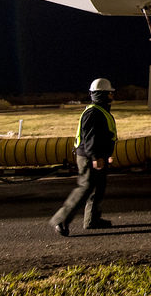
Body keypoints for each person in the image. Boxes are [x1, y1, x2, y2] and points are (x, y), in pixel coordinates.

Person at [50, 78, 118, 236]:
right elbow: (90, 139)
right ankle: (61, 220)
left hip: (97, 156)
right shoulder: (93, 113)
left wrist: (106, 155)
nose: (112, 97)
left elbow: (102, 137)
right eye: (110, 94)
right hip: (89, 157)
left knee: (98, 187)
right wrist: (96, 157)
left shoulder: (100, 111)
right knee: (85, 187)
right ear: (104, 95)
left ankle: (92, 220)